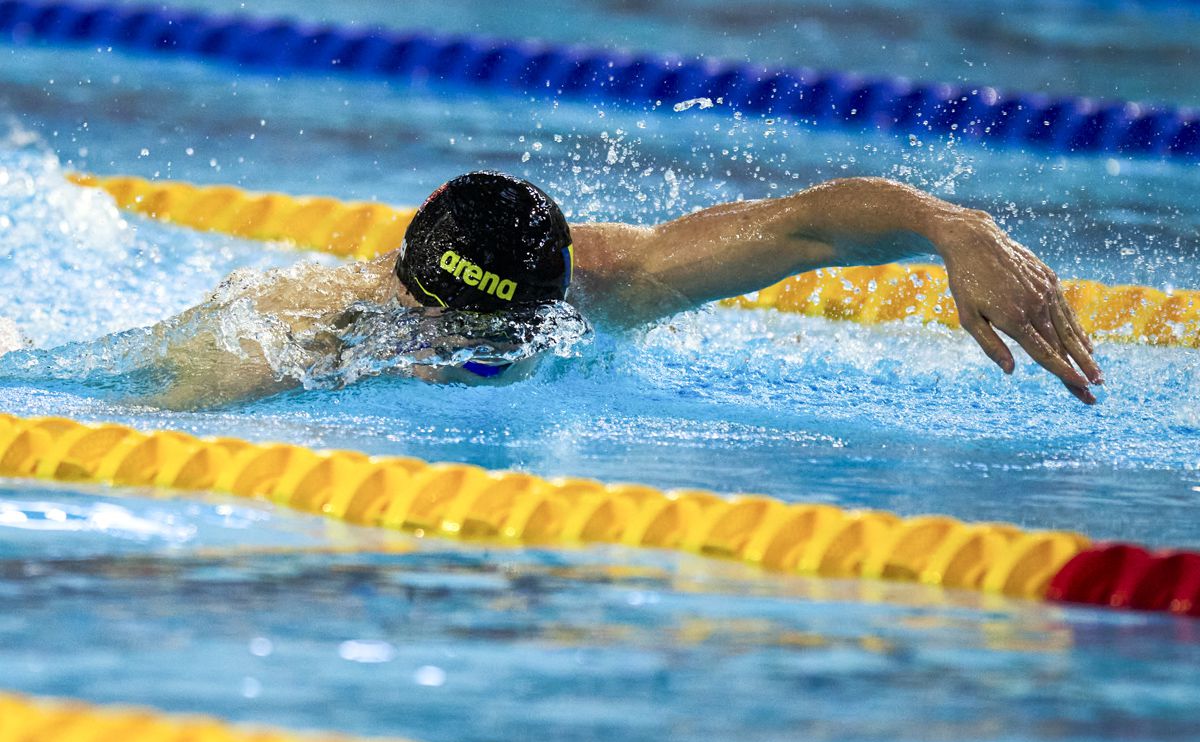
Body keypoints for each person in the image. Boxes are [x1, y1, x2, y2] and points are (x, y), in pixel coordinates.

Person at [148, 170, 1102, 409]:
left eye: (525, 326)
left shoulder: (615, 285)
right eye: (474, 334)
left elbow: (802, 224)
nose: (504, 350)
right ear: (415, 304)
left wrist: (957, 230)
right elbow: (166, 413)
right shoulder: (296, 332)